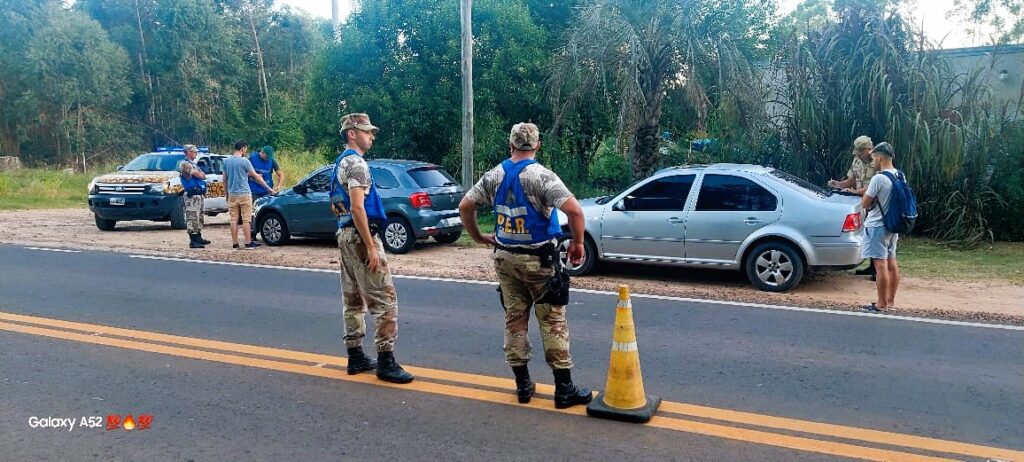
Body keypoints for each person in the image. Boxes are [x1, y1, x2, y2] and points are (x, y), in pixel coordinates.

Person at [458, 122, 592, 409]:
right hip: (539, 260)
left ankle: (522, 385)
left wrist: (478, 236)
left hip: (505, 258)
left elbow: (465, 206)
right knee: (552, 321)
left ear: (510, 145)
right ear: (537, 145)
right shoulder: (541, 176)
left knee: (514, 319)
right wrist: (578, 244)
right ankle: (564, 389)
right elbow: (575, 211)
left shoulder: (494, 175)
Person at [331, 113, 414, 384]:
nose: (372, 136)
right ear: (352, 133)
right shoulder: (357, 164)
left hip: (344, 234)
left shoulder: (339, 164)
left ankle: (355, 356)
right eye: (367, 131)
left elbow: (337, 205)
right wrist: (371, 246)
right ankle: (386, 361)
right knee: (385, 300)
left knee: (353, 298)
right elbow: (357, 206)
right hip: (359, 235)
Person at [860, 142, 901, 312]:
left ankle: (881, 303)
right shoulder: (900, 175)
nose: (873, 161)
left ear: (881, 157)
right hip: (893, 225)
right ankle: (890, 300)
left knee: (880, 265)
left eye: (874, 158)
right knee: (892, 263)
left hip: (877, 225)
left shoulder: (879, 178)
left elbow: (865, 203)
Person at [828, 136, 878, 278]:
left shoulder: (877, 162)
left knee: (876, 236)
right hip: (861, 205)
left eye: (860, 152)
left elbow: (873, 187)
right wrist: (838, 184)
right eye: (856, 151)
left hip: (876, 205)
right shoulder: (856, 160)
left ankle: (878, 270)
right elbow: (851, 180)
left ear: (868, 150)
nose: (857, 154)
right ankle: (872, 266)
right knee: (867, 235)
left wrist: (855, 192)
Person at [223, 141, 274, 250]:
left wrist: (226, 194)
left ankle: (235, 243)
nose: (246, 151)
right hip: (244, 193)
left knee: (233, 219)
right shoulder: (244, 161)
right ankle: (248, 242)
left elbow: (225, 179)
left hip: (232, 193)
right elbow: (257, 177)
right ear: (242, 148)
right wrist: (269, 188)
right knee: (246, 219)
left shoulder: (226, 161)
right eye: (245, 149)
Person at [247, 145, 284, 240]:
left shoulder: (272, 161)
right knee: (253, 212)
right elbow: (244, 172)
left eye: (269, 158)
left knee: (268, 211)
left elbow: (281, 175)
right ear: (262, 153)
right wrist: (254, 175)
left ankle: (266, 230)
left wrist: (278, 186)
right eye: (266, 157)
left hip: (267, 191)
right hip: (254, 190)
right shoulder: (252, 158)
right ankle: (252, 234)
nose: (268, 159)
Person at [178, 144, 210, 249]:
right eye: (194, 152)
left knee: (199, 217)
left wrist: (200, 174)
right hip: (191, 195)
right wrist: (199, 174)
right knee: (192, 217)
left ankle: (198, 237)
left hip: (198, 194)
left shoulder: (194, 164)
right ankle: (193, 240)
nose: (196, 154)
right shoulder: (185, 164)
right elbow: (199, 175)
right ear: (188, 152)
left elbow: (203, 175)